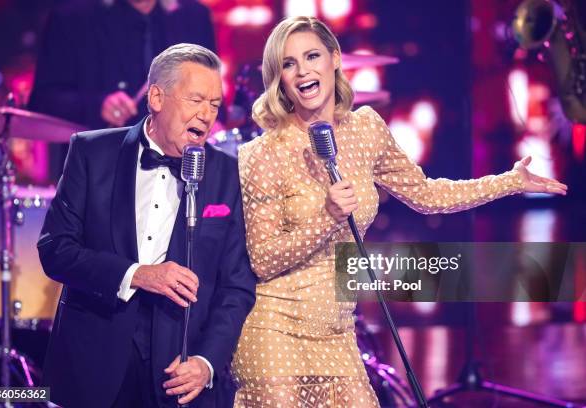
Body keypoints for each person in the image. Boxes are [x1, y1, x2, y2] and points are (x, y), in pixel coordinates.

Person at [231, 16, 568, 407]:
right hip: (275, 333)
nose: (303, 70)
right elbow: (263, 259)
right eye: (289, 63)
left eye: (312, 56)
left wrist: (509, 181)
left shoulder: (365, 128)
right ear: (279, 77)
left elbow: (426, 195)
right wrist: (326, 217)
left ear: (335, 59)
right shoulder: (261, 153)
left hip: (338, 334)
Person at [38, 43, 256, 408]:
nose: (207, 115)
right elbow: (55, 250)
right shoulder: (91, 153)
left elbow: (236, 286)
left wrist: (206, 361)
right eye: (196, 100)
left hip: (179, 373)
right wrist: (136, 274)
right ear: (156, 97)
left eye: (215, 104)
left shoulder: (227, 175)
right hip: (94, 364)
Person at [28, 0, 217, 179]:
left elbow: (214, 98)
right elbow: (42, 102)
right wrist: (97, 106)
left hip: (180, 178)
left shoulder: (194, 17)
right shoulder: (73, 19)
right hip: (101, 178)